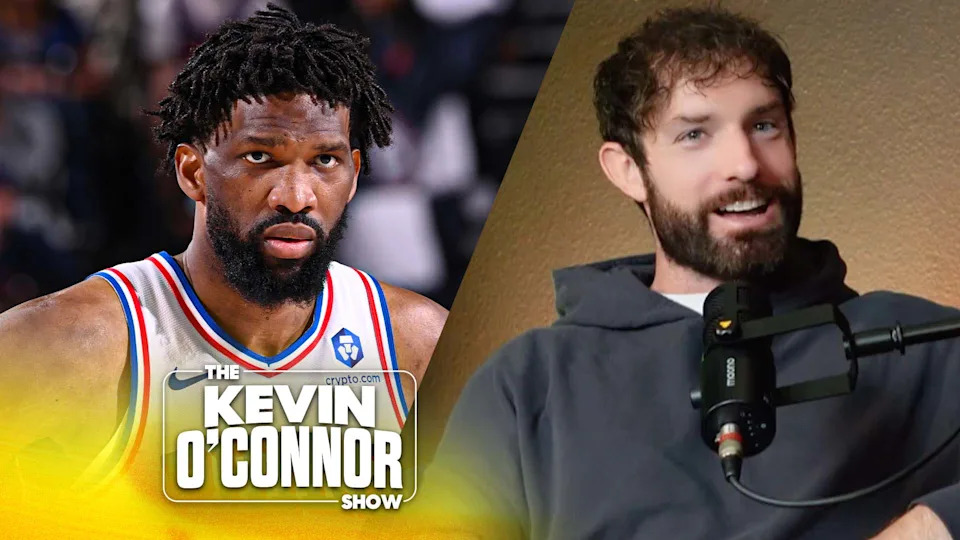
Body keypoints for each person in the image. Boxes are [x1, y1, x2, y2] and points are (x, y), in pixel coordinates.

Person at [427, 7, 960, 539]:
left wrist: (931, 526)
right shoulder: (528, 385)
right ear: (628, 170)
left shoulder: (922, 345)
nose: (746, 164)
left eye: (765, 125)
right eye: (694, 135)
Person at [0, 4, 446, 486]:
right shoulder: (77, 343)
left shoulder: (417, 348)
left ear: (355, 174)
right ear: (193, 173)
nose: (296, 198)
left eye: (323, 161)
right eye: (260, 157)